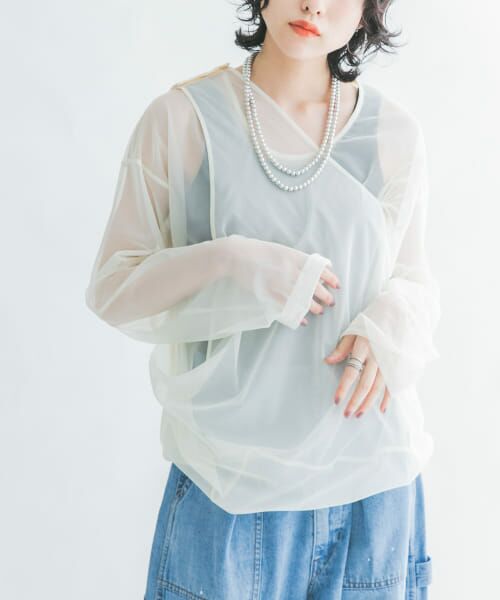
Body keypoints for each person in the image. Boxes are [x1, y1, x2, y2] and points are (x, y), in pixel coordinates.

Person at [85, 1, 440, 598]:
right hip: (229, 489)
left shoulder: (393, 134)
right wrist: (233, 260)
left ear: (365, 13)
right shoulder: (183, 119)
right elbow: (113, 287)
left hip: (373, 483)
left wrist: (390, 325)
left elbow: (415, 279)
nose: (313, 5)